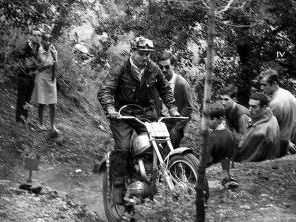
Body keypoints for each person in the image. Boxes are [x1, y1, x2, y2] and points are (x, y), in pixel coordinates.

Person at [97, 36, 180, 204]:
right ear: (133, 52)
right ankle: (118, 185)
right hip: (122, 114)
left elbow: (165, 89)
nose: (145, 57)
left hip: (145, 115)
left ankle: (150, 179)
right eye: (141, 53)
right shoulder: (120, 68)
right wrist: (110, 108)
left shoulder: (153, 68)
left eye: (148, 54)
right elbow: (105, 90)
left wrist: (172, 108)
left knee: (157, 143)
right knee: (124, 148)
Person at [195, 103, 238, 222]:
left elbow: (205, 160)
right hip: (226, 163)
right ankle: (228, 178)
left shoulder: (212, 137)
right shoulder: (229, 133)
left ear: (220, 119)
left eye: (211, 119)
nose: (208, 121)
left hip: (213, 167)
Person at [158, 51, 193, 148]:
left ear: (173, 66)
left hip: (176, 123)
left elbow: (189, 107)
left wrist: (177, 127)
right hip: (162, 121)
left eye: (167, 67)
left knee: (172, 153)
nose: (164, 70)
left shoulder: (181, 83)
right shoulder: (158, 82)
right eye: (161, 67)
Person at [260, 68, 296, 156]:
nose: (262, 88)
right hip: (286, 140)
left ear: (274, 84)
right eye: (261, 85)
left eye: (265, 85)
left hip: (276, 144)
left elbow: (269, 129)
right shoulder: (289, 94)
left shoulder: (275, 103)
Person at [236, 93, 281, 162]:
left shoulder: (259, 131)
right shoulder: (272, 117)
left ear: (264, 107)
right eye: (249, 106)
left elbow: (245, 156)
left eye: (254, 107)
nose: (250, 109)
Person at [30, 32, 59, 134]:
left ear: (51, 41)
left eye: (49, 40)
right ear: (42, 40)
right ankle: (41, 124)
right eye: (45, 40)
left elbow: (56, 66)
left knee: (53, 104)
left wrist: (54, 56)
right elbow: (36, 65)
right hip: (41, 77)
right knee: (41, 103)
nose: (47, 42)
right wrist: (46, 64)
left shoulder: (54, 51)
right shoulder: (38, 50)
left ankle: (52, 126)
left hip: (51, 78)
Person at [15, 29, 41, 123]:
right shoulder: (24, 46)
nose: (37, 37)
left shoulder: (38, 47)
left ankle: (25, 118)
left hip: (32, 77)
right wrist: (26, 67)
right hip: (23, 76)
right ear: (30, 36)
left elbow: (40, 62)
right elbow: (19, 59)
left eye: (39, 36)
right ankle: (19, 119)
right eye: (35, 35)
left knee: (28, 98)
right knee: (21, 97)